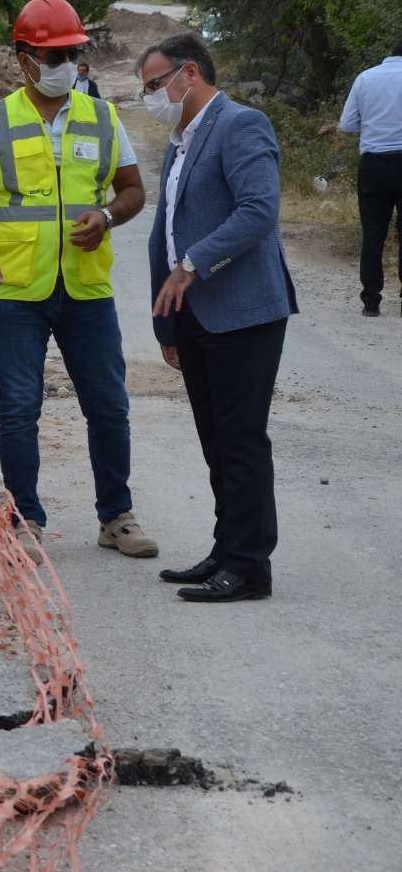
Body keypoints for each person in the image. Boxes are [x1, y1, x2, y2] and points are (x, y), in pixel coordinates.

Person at [0, 0, 158, 557]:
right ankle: (24, 518)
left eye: (72, 53)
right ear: (24, 60)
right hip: (18, 290)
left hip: (86, 288)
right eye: (54, 54)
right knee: (20, 407)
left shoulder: (102, 116)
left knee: (109, 404)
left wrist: (109, 215)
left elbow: (135, 189)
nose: (66, 64)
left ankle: (116, 516)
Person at [139, 33, 298, 603]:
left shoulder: (241, 124)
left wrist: (193, 265)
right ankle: (226, 547)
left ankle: (250, 566)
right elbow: (168, 231)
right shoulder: (181, 141)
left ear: (188, 73)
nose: (151, 96)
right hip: (195, 314)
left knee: (241, 439)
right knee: (215, 439)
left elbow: (258, 210)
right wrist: (168, 322)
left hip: (244, 312)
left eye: (155, 84)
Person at [322, 41, 402, 316]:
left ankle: (371, 301)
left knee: (373, 234)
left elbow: (347, 124)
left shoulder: (366, 77)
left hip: (373, 164)